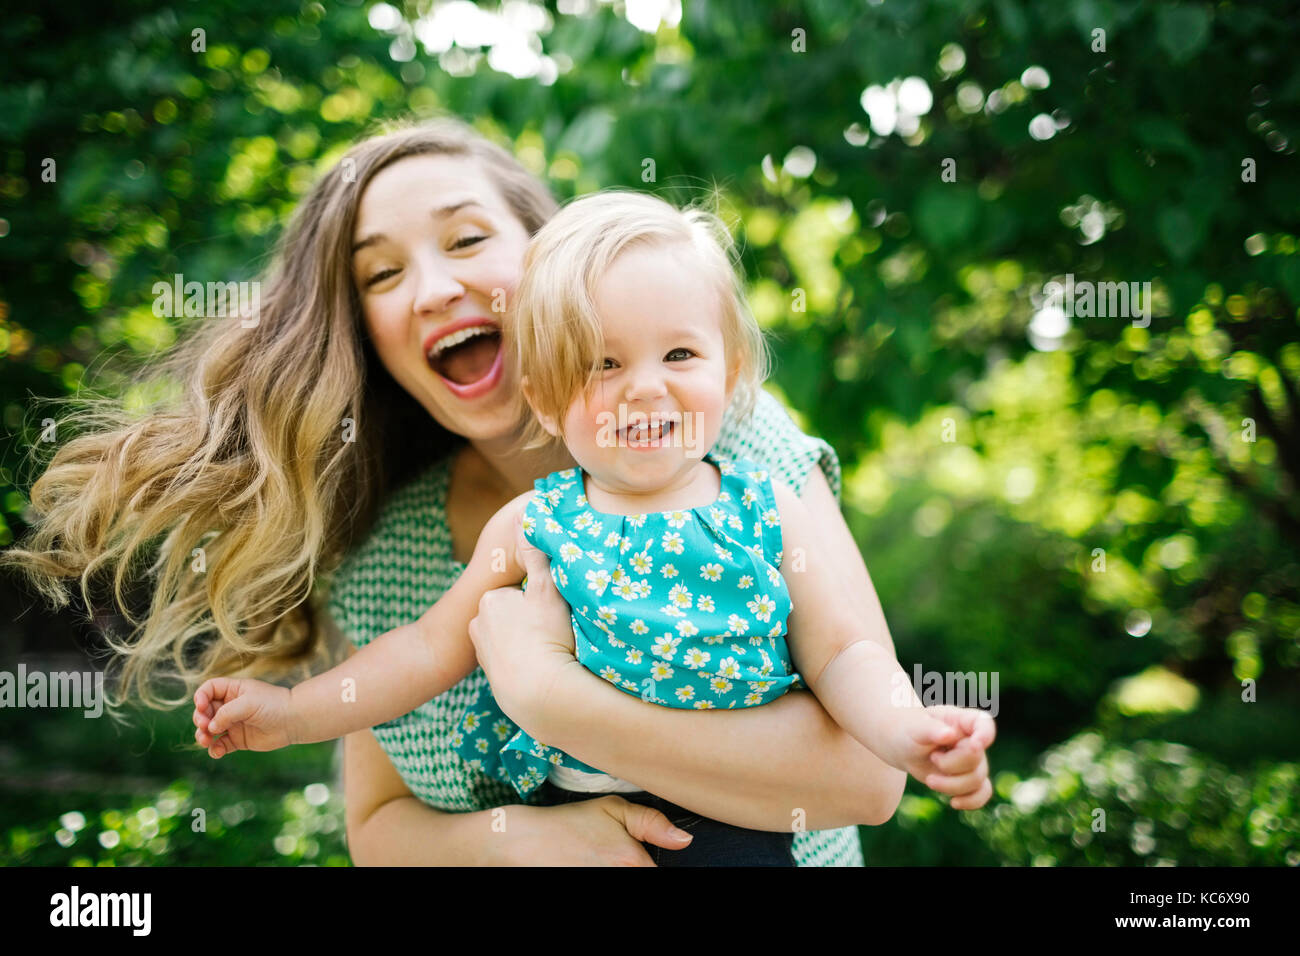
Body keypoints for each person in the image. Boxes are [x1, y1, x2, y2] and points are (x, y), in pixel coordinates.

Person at [4, 116, 994, 866]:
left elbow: (863, 775)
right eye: (381, 274)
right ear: (363, 331)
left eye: (467, 240)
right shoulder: (413, 540)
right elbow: (383, 818)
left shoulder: (734, 451)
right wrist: (534, 834)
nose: (433, 288)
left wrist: (548, 696)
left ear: (548, 258)